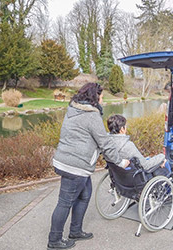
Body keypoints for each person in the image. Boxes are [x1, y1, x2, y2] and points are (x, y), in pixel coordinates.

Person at [48, 83, 129, 250]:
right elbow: (104, 142)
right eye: (101, 96)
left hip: (66, 160)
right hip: (75, 166)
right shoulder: (92, 115)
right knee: (64, 202)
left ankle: (75, 231)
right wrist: (120, 162)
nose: (103, 99)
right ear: (94, 97)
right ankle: (54, 241)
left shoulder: (73, 110)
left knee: (85, 195)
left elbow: (85, 134)